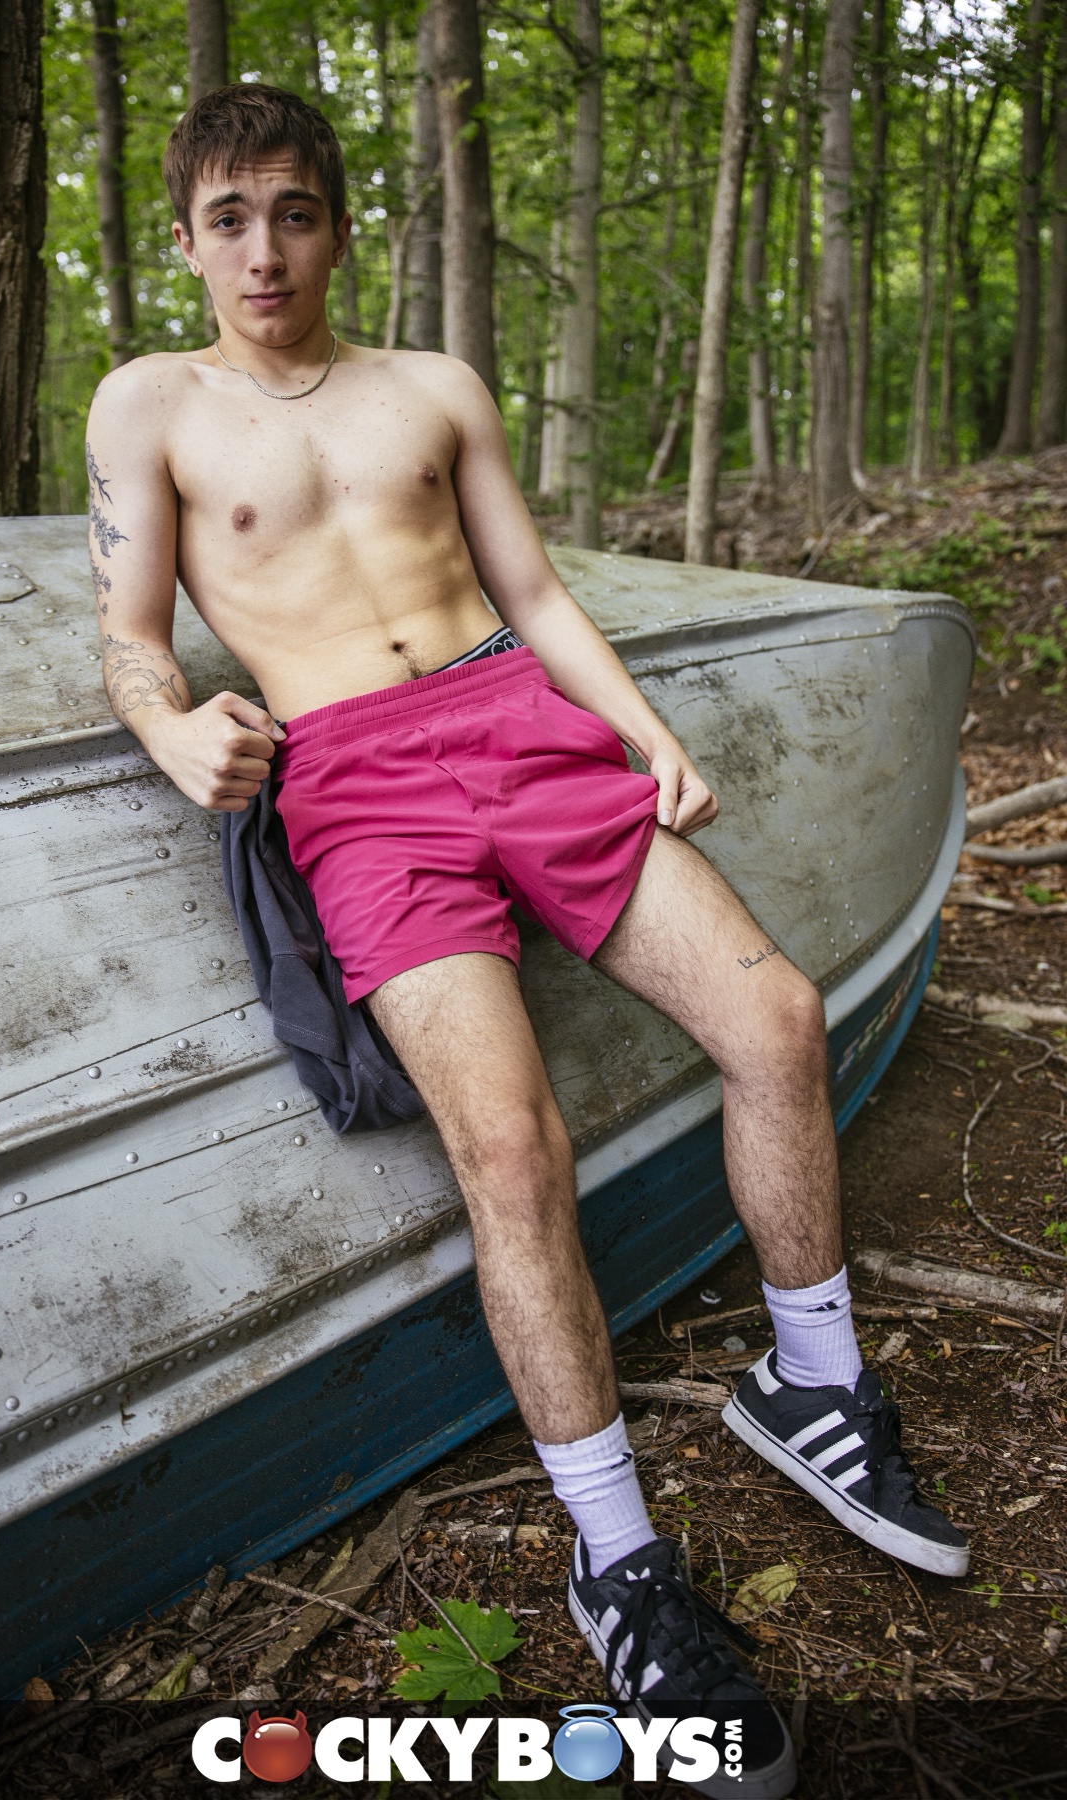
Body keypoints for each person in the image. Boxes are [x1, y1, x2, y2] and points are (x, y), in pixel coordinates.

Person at [84, 83, 967, 1800]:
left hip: (518, 725)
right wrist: (171, 727)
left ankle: (813, 1385)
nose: (265, 252)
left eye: (294, 213)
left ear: (341, 227)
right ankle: (619, 1558)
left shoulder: (435, 387)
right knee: (509, 1150)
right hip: (355, 786)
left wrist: (645, 735)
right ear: (186, 241)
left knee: (779, 1020)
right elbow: (127, 631)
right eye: (230, 219)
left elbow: (539, 594)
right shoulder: (151, 404)